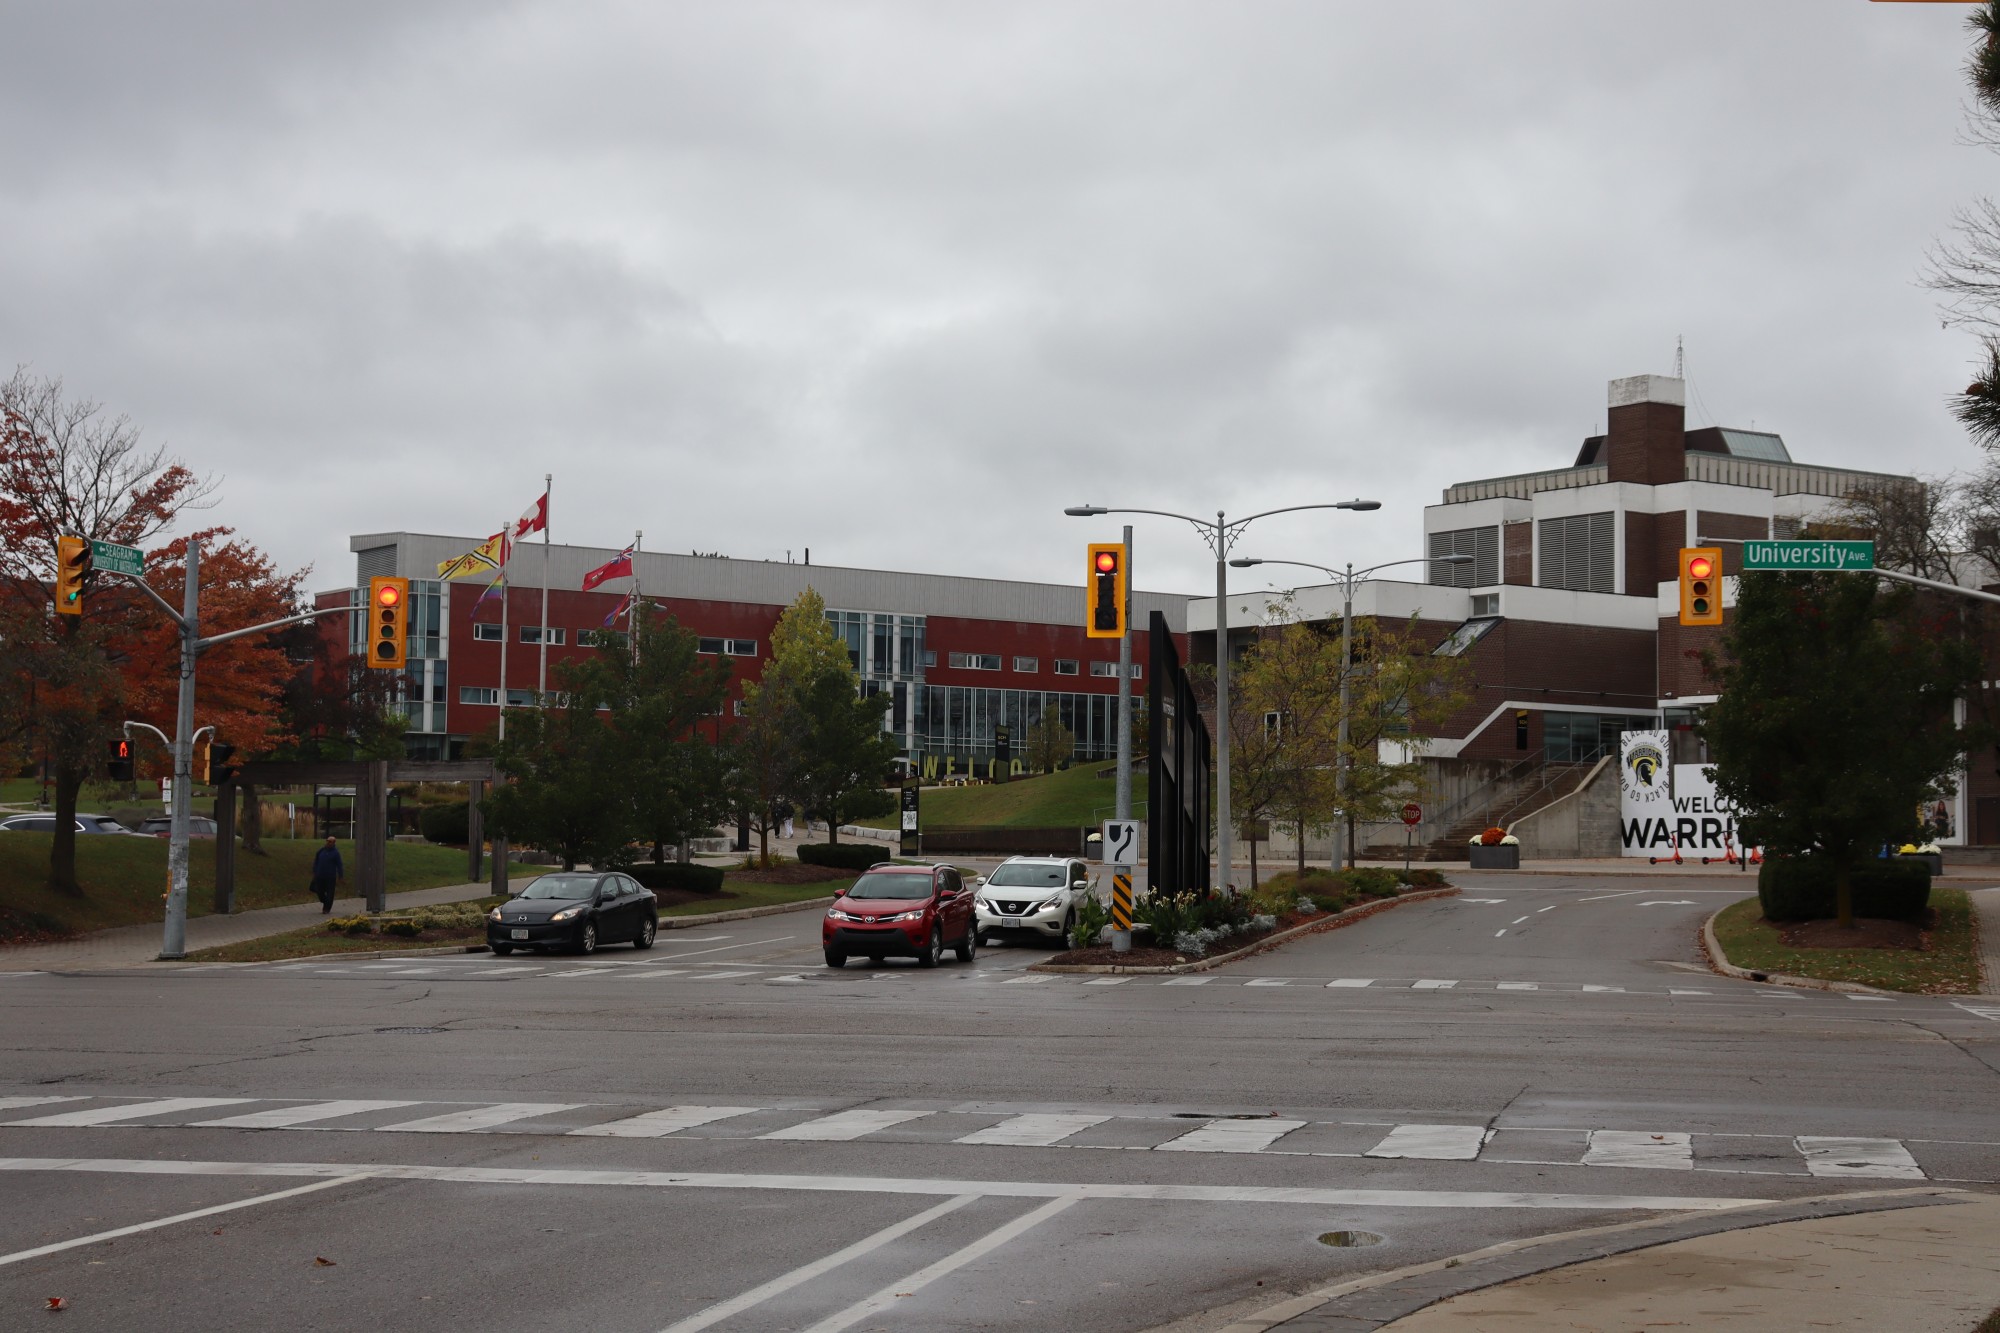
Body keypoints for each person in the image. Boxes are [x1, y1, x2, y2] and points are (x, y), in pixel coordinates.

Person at [311, 836, 344, 913]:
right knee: (320, 891)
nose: (328, 843)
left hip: (330, 876)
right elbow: (316, 861)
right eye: (327, 841)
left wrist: (340, 876)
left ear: (334, 843)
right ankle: (325, 901)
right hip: (320, 875)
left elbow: (339, 865)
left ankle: (326, 908)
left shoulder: (336, 853)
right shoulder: (321, 851)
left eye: (330, 841)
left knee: (330, 893)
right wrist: (314, 871)